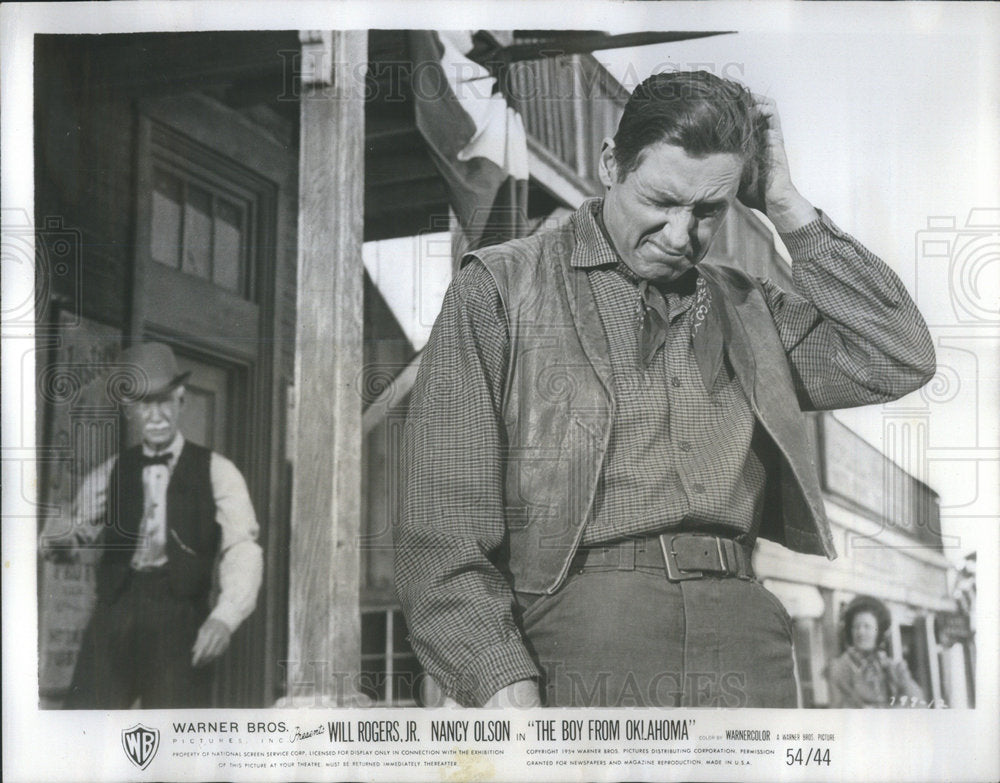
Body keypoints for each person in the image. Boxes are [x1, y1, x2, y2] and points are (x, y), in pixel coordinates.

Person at [395, 71, 935, 708]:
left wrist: (787, 205)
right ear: (609, 165)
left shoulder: (749, 307)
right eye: (660, 201)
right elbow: (440, 526)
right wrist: (497, 675)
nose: (681, 236)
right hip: (578, 633)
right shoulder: (499, 288)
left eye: (708, 211)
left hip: (746, 634)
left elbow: (898, 354)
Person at [40, 342, 263, 709]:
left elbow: (242, 547)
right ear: (131, 410)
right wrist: (64, 537)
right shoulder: (108, 474)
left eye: (164, 401)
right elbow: (65, 545)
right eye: (145, 404)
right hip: (114, 613)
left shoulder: (219, 472)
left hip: (180, 618)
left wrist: (225, 617)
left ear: (181, 401)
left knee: (176, 743)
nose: (156, 415)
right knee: (84, 728)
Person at [826, 595, 924, 708]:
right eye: (856, 627)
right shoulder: (840, 668)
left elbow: (917, 701)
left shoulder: (892, 668)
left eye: (867, 626)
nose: (861, 632)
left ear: (878, 631)